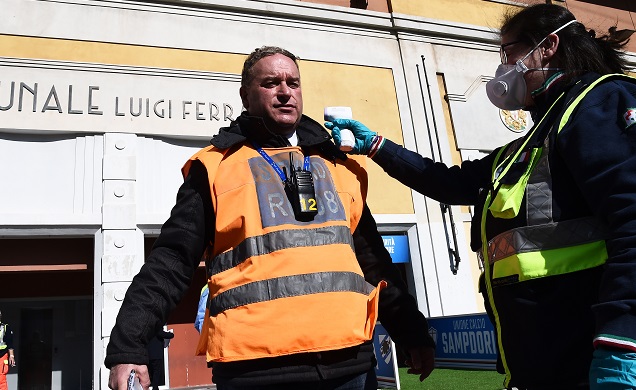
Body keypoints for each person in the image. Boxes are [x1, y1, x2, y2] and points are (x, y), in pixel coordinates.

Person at [326, 4, 636, 389]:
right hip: (557, 367)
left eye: (508, 53)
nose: (503, 68)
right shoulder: (527, 148)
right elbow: (449, 183)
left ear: (548, 46)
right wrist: (377, 146)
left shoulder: (602, 103)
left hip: (621, 363)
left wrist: (622, 338)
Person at [105, 45, 435, 390]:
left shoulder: (340, 166)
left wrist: (411, 333)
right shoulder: (215, 167)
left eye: (293, 83)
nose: (284, 92)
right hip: (256, 372)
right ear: (245, 95)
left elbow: (374, 261)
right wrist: (129, 346)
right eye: (270, 83)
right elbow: (171, 261)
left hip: (350, 365)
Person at [0, 310, 16, 390]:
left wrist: (11, 356)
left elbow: (10, 343)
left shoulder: (5, 328)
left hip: (2, 356)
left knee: (1, 379)